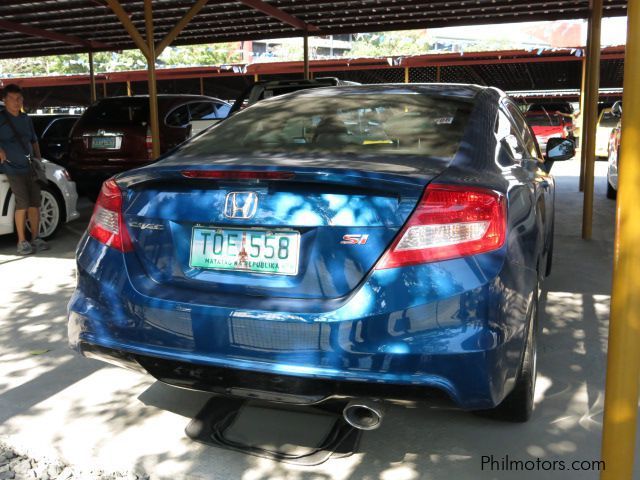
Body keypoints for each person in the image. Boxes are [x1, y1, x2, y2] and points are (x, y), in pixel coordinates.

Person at [0, 84, 49, 255]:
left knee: (35, 204)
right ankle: (22, 241)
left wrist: (39, 159)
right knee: (23, 203)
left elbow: (34, 140)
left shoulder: (26, 118)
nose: (16, 102)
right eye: (12, 99)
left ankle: (35, 237)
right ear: (4, 100)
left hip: (30, 167)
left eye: (19, 98)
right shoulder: (1, 118)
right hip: (12, 168)